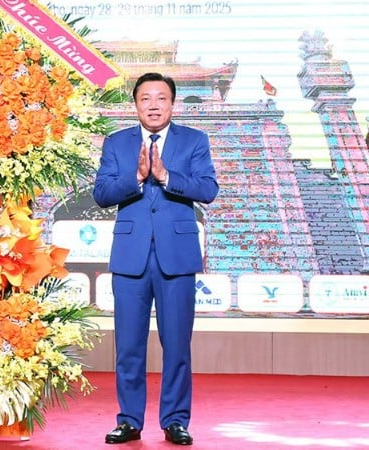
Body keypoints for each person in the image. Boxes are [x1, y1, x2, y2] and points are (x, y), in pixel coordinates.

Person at [92, 72, 219, 446]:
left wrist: (165, 176)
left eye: (160, 98)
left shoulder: (194, 140)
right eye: (145, 98)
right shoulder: (117, 143)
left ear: (172, 103)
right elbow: (102, 193)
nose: (153, 104)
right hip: (130, 258)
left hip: (176, 258)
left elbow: (208, 189)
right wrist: (137, 175)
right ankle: (129, 420)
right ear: (135, 105)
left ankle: (175, 420)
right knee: (129, 346)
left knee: (177, 345)